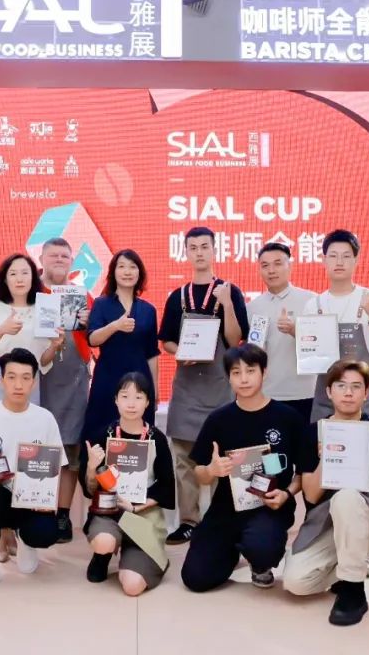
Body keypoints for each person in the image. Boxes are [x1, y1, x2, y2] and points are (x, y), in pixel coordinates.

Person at [283, 359, 369, 626]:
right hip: (325, 527)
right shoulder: (313, 433)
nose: (348, 393)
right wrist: (327, 457)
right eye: (341, 386)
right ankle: (353, 563)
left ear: (366, 393)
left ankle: (353, 591)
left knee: (346, 496)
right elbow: (310, 496)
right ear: (329, 391)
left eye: (356, 387)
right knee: (296, 583)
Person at [180, 344, 301, 592]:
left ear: (264, 372)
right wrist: (211, 471)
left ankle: (260, 563)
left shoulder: (287, 417)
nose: (244, 379)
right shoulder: (218, 420)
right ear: (229, 377)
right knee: (196, 578)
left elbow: (304, 471)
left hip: (269, 507)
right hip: (226, 509)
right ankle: (231, 550)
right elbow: (199, 473)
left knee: (262, 548)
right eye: (236, 372)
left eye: (250, 371)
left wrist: (287, 494)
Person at [158, 226, 248, 545]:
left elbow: (235, 341)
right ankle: (189, 521)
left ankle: (223, 521)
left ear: (214, 250)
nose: (199, 252)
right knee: (184, 459)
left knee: (225, 457)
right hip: (187, 388)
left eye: (204, 246)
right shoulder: (177, 296)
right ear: (186, 252)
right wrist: (180, 352)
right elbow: (166, 341)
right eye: (193, 247)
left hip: (220, 386)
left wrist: (227, 305)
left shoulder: (229, 291)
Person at [0, 348, 66, 597]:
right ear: (1, 380)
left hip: (32, 500)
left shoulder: (45, 419)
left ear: (34, 382)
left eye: (25, 378)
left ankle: (25, 539)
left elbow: (55, 469)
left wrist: (49, 502)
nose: (18, 385)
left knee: (45, 532)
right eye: (12, 377)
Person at [78, 372, 174, 596]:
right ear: (116, 400)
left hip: (144, 515)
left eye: (138, 397)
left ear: (148, 402)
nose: (131, 404)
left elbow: (167, 487)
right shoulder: (103, 435)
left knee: (132, 587)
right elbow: (90, 490)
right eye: (125, 396)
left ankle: (140, 555)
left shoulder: (157, 439)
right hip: (110, 511)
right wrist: (91, 467)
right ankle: (102, 555)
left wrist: (135, 507)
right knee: (104, 541)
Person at [303, 229, 369, 423]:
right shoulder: (313, 305)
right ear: (324, 260)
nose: (339, 262)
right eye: (333, 256)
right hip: (326, 404)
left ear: (356, 260)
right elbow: (310, 361)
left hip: (366, 403)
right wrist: (301, 337)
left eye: (346, 256)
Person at [37, 237, 94, 543]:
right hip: (39, 378)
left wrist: (89, 323)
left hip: (74, 379)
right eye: (53, 255)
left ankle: (62, 515)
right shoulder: (30, 292)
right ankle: (38, 509)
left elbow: (95, 337)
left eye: (65, 256)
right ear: (41, 259)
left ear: (72, 262)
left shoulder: (84, 296)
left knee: (71, 450)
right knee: (39, 446)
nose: (59, 259)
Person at [86, 249, 159, 436]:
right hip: (108, 377)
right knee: (102, 431)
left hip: (140, 379)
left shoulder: (148, 310)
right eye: (122, 267)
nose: (127, 272)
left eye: (132, 267)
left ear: (139, 273)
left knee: (138, 435)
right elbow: (92, 339)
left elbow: (152, 353)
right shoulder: (101, 304)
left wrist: (155, 389)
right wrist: (115, 326)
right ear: (113, 272)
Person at [0, 253, 64, 408]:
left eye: (25, 273)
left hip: (29, 379)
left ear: (33, 278)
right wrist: (2, 330)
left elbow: (43, 360)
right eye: (13, 274)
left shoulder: (43, 309)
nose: (19, 279)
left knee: (28, 422)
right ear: (5, 279)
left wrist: (54, 346)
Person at [245, 242, 317, 426]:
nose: (271, 270)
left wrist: (295, 331)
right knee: (268, 445)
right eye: (265, 265)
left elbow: (323, 346)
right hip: (265, 394)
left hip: (304, 393)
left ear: (290, 266)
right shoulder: (252, 307)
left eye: (278, 263)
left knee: (303, 443)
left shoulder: (311, 301)